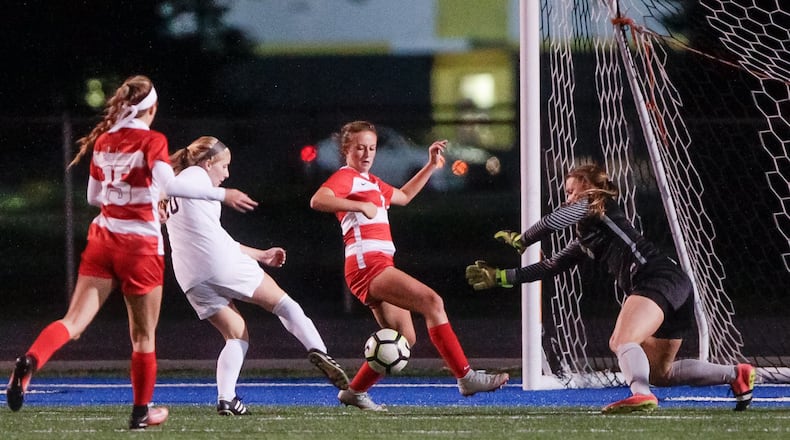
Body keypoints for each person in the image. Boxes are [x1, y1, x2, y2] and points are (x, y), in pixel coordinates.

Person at [5, 75, 257, 430]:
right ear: (150, 108)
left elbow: (94, 197)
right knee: (142, 336)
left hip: (103, 238)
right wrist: (222, 195)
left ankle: (31, 359)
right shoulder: (152, 140)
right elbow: (169, 184)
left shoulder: (105, 140)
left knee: (73, 322)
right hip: (139, 246)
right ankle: (141, 411)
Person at [465, 163, 756, 414]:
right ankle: (736, 374)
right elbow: (552, 266)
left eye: (571, 191)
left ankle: (641, 394)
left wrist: (525, 238)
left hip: (656, 279)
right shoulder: (588, 235)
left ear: (591, 189)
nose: (568, 198)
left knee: (621, 340)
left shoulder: (598, 205)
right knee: (661, 372)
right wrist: (503, 276)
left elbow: (559, 218)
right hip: (675, 286)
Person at [310, 120, 509, 411]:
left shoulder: (371, 181)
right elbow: (318, 200)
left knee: (405, 338)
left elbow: (402, 196)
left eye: (372, 148)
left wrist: (430, 165)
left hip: (374, 265)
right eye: (359, 148)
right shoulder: (346, 177)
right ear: (346, 150)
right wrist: (358, 206)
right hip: (368, 266)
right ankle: (466, 377)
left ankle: (354, 391)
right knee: (432, 302)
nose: (366, 154)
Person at [162, 136, 350, 415]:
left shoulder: (186, 189)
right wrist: (224, 195)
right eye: (224, 166)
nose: (226, 174)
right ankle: (321, 352)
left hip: (191, 276)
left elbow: (218, 236)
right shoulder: (195, 175)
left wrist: (260, 254)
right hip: (219, 262)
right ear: (208, 162)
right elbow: (181, 187)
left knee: (236, 334)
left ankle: (226, 399)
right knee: (284, 304)